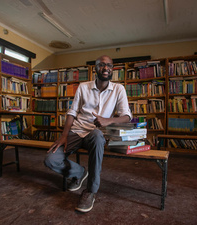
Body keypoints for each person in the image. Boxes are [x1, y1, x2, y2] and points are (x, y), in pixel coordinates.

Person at [44, 55, 132, 213]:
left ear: (113, 69)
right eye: (102, 65)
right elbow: (72, 112)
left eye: (109, 65)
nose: (106, 68)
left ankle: (91, 190)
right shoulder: (83, 87)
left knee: (98, 136)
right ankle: (80, 172)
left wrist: (107, 120)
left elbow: (127, 116)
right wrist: (64, 135)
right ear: (95, 68)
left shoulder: (119, 89)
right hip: (77, 130)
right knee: (51, 159)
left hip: (96, 135)